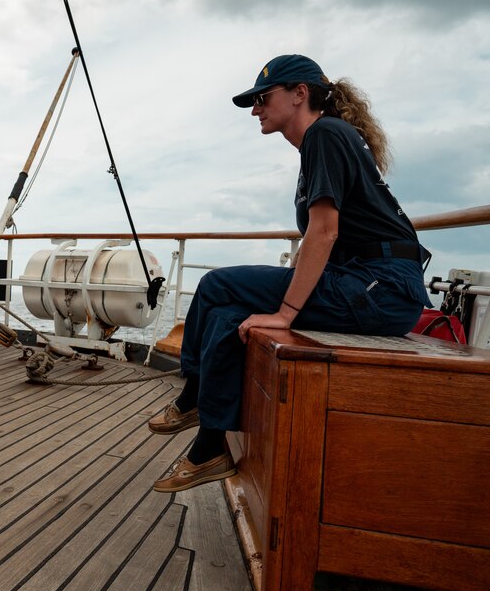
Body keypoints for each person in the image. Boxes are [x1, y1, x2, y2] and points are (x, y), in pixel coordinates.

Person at [148, 54, 431, 493]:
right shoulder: (325, 141)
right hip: (370, 286)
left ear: (300, 94)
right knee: (227, 316)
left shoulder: (325, 134)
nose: (256, 109)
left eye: (262, 98)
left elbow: (324, 231)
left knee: (214, 285)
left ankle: (192, 400)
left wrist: (285, 313)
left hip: (380, 290)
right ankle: (210, 448)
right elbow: (323, 241)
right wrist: (280, 304)